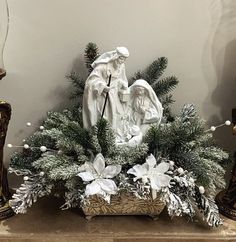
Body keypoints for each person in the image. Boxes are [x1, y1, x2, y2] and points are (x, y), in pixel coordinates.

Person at [82, 47, 129, 130]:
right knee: (107, 114)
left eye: (124, 59)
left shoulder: (121, 66)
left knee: (118, 113)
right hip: (103, 95)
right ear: (116, 57)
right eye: (121, 59)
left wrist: (122, 83)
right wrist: (103, 86)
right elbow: (91, 81)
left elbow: (121, 78)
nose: (122, 62)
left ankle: (114, 132)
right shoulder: (103, 66)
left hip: (115, 93)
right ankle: (104, 132)